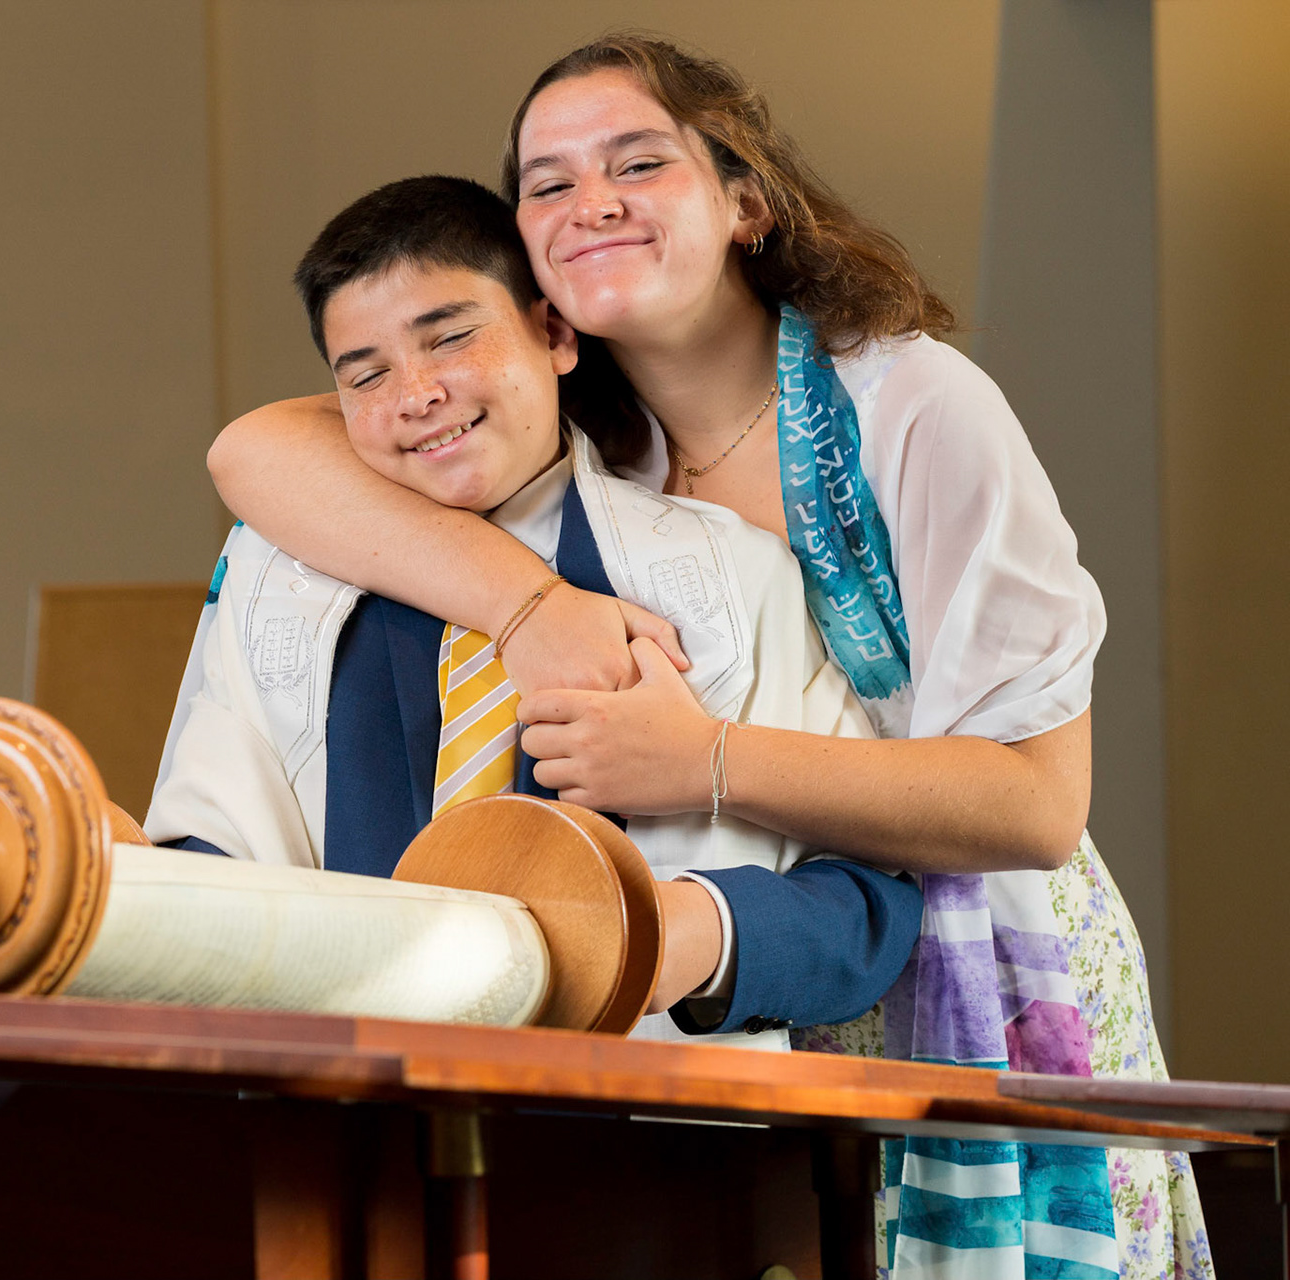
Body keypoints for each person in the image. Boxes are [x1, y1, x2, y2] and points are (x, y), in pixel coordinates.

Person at [205, 34, 1208, 1280]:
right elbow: (256, 452)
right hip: (749, 978)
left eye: (638, 160)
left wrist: (705, 759)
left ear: (746, 199)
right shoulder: (558, 428)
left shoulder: (906, 403)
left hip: (971, 949)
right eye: (550, 183)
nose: (594, 202)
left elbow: (1040, 804)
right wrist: (529, 607)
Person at [145, 174, 922, 1047]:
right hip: (349, 1127)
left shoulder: (727, 571)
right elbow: (204, 859)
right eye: (364, 376)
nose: (415, 395)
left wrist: (689, 934)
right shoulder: (278, 577)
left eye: (450, 339)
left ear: (553, 332)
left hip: (656, 1136)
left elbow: (867, 899)